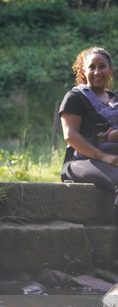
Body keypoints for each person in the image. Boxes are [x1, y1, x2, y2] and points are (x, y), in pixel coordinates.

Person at [60, 47, 118, 223]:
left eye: (102, 66)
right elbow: (70, 135)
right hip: (82, 161)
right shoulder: (74, 98)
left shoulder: (116, 100)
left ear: (110, 70)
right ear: (83, 71)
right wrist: (104, 156)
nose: (97, 71)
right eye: (92, 67)